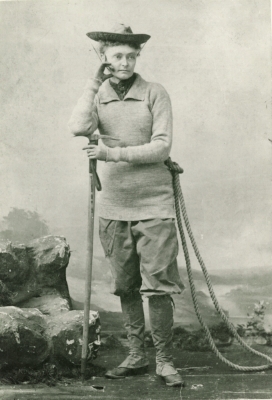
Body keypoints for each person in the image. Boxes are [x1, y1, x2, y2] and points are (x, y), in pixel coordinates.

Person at [68, 23, 185, 387]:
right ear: (104, 58)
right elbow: (77, 127)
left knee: (159, 286)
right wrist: (91, 84)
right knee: (126, 284)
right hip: (115, 206)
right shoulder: (98, 94)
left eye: (131, 55)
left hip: (154, 204)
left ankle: (164, 361)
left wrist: (109, 152)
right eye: (117, 56)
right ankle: (136, 356)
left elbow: (161, 147)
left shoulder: (154, 93)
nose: (125, 62)